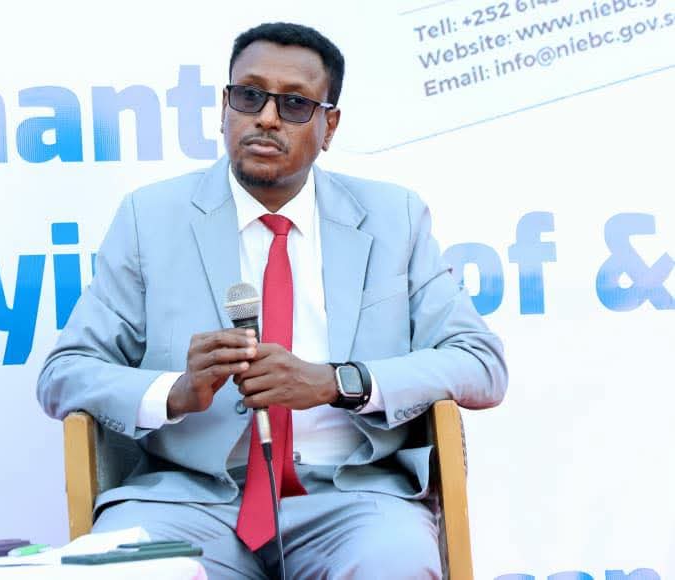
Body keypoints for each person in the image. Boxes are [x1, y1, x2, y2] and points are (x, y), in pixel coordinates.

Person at [37, 22, 507, 579]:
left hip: (351, 498)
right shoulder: (150, 217)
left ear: (329, 126)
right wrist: (176, 392)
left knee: (394, 562)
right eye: (249, 95)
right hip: (189, 500)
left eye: (294, 104)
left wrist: (336, 382)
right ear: (223, 108)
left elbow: (480, 363)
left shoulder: (393, 218)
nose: (265, 117)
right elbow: (65, 373)